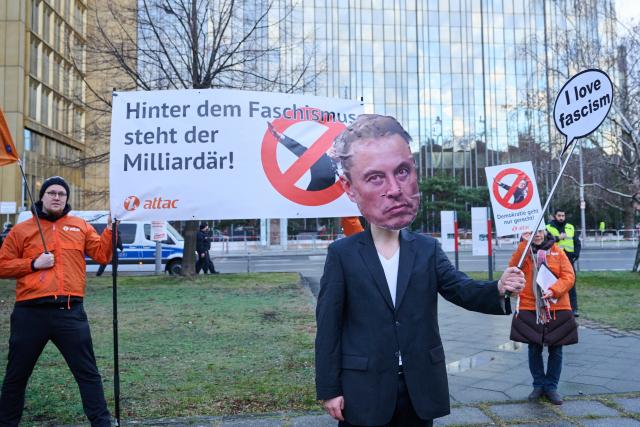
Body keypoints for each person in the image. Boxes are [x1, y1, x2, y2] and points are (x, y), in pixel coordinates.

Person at [315, 114, 525, 427]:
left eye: (402, 171)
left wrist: (498, 288)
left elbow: (460, 288)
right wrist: (330, 390)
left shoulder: (426, 249)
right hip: (364, 388)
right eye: (375, 178)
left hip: (419, 387)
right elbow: (328, 329)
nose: (395, 189)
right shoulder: (342, 254)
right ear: (350, 188)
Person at [0, 176, 112, 426]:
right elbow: (2, 265)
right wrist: (32, 263)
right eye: (52, 192)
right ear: (42, 196)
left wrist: (111, 230)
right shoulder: (22, 230)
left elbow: (103, 255)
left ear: (66, 198)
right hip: (30, 313)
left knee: (88, 374)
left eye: (62, 194)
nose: (57, 197)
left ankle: (102, 422)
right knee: (16, 376)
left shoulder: (80, 226)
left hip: (70, 312)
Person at [508, 229, 577, 405]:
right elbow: (513, 269)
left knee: (556, 349)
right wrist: (524, 244)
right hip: (531, 306)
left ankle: (551, 387)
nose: (536, 235)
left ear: (544, 231)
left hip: (557, 306)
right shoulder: (524, 250)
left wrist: (554, 290)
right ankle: (538, 385)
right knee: (534, 348)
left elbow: (569, 276)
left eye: (538, 231)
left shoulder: (557, 250)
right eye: (530, 232)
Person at [267, 122, 337, 191]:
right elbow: (300, 149)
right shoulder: (321, 159)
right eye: (334, 146)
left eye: (339, 147)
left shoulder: (345, 167)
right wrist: (280, 137)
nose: (335, 149)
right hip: (311, 199)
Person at [546, 209, 581, 316]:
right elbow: (546, 242)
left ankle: (573, 308)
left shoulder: (570, 227)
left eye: (563, 215)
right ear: (554, 216)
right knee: (554, 283)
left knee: (571, 282)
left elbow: (576, 242)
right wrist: (557, 238)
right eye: (559, 215)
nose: (561, 217)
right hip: (553, 259)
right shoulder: (548, 228)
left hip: (569, 259)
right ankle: (554, 307)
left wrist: (576, 255)